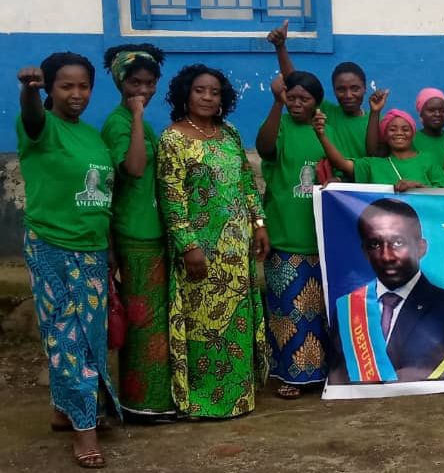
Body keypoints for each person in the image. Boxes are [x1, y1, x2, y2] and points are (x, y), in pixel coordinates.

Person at [17, 52, 120, 468]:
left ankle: (65, 412)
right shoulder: (41, 127)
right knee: (67, 339)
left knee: (90, 338)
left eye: (84, 86)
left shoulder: (92, 136)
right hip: (52, 248)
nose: (76, 94)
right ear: (50, 88)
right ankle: (85, 432)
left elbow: (104, 197)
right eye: (66, 86)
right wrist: (29, 91)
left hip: (93, 251)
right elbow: (31, 117)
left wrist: (109, 248)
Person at [158, 64, 270, 418]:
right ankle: (204, 402)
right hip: (200, 251)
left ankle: (239, 397)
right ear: (185, 94)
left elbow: (246, 182)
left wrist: (259, 223)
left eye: (215, 92)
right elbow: (172, 197)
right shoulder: (173, 139)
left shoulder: (230, 133)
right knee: (204, 324)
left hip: (237, 248)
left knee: (237, 321)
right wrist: (188, 246)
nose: (208, 97)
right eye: (200, 90)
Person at [99, 44, 175, 419]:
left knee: (154, 319)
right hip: (135, 234)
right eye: (135, 83)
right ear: (120, 82)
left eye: (149, 83)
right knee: (143, 320)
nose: (143, 90)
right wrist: (137, 114)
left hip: (152, 230)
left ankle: (154, 397)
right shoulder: (119, 122)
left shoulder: (137, 122)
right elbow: (135, 168)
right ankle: (143, 401)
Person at [335, 198, 444, 382]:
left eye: (398, 242)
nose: (386, 256)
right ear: (365, 251)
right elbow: (339, 374)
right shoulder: (347, 309)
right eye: (375, 244)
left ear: (421, 248)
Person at [255, 70, 333, 399]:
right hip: (284, 235)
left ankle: (324, 372)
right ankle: (291, 373)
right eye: (292, 97)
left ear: (317, 102)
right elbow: (264, 148)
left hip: (322, 237)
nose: (297, 103)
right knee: (287, 310)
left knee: (321, 311)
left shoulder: (325, 129)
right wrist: (276, 104)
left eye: (305, 98)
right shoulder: (281, 125)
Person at [268, 21, 370, 161]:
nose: (348, 95)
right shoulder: (325, 112)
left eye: (355, 88)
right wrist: (280, 47)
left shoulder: (374, 121)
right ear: (334, 90)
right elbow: (296, 83)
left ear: (365, 88)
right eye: (341, 89)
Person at [317, 104, 444, 191]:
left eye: (405, 129)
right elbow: (341, 164)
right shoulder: (373, 165)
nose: (399, 133)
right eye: (392, 129)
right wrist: (321, 135)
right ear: (385, 135)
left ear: (413, 134)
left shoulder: (428, 160)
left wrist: (418, 187)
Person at [413, 88, 444, 165]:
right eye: (431, 110)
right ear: (421, 113)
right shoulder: (410, 140)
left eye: (443, 110)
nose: (437, 114)